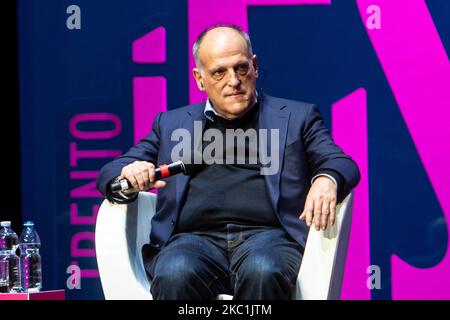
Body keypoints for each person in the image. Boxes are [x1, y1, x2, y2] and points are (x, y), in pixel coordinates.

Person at [97, 24, 360, 300]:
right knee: (175, 272)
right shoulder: (172, 124)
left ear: (255, 66)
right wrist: (129, 175)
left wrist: (326, 178)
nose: (233, 80)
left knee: (263, 269)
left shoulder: (297, 117)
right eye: (219, 72)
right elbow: (110, 173)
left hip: (269, 237)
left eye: (241, 68)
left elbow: (340, 162)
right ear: (200, 79)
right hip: (192, 240)